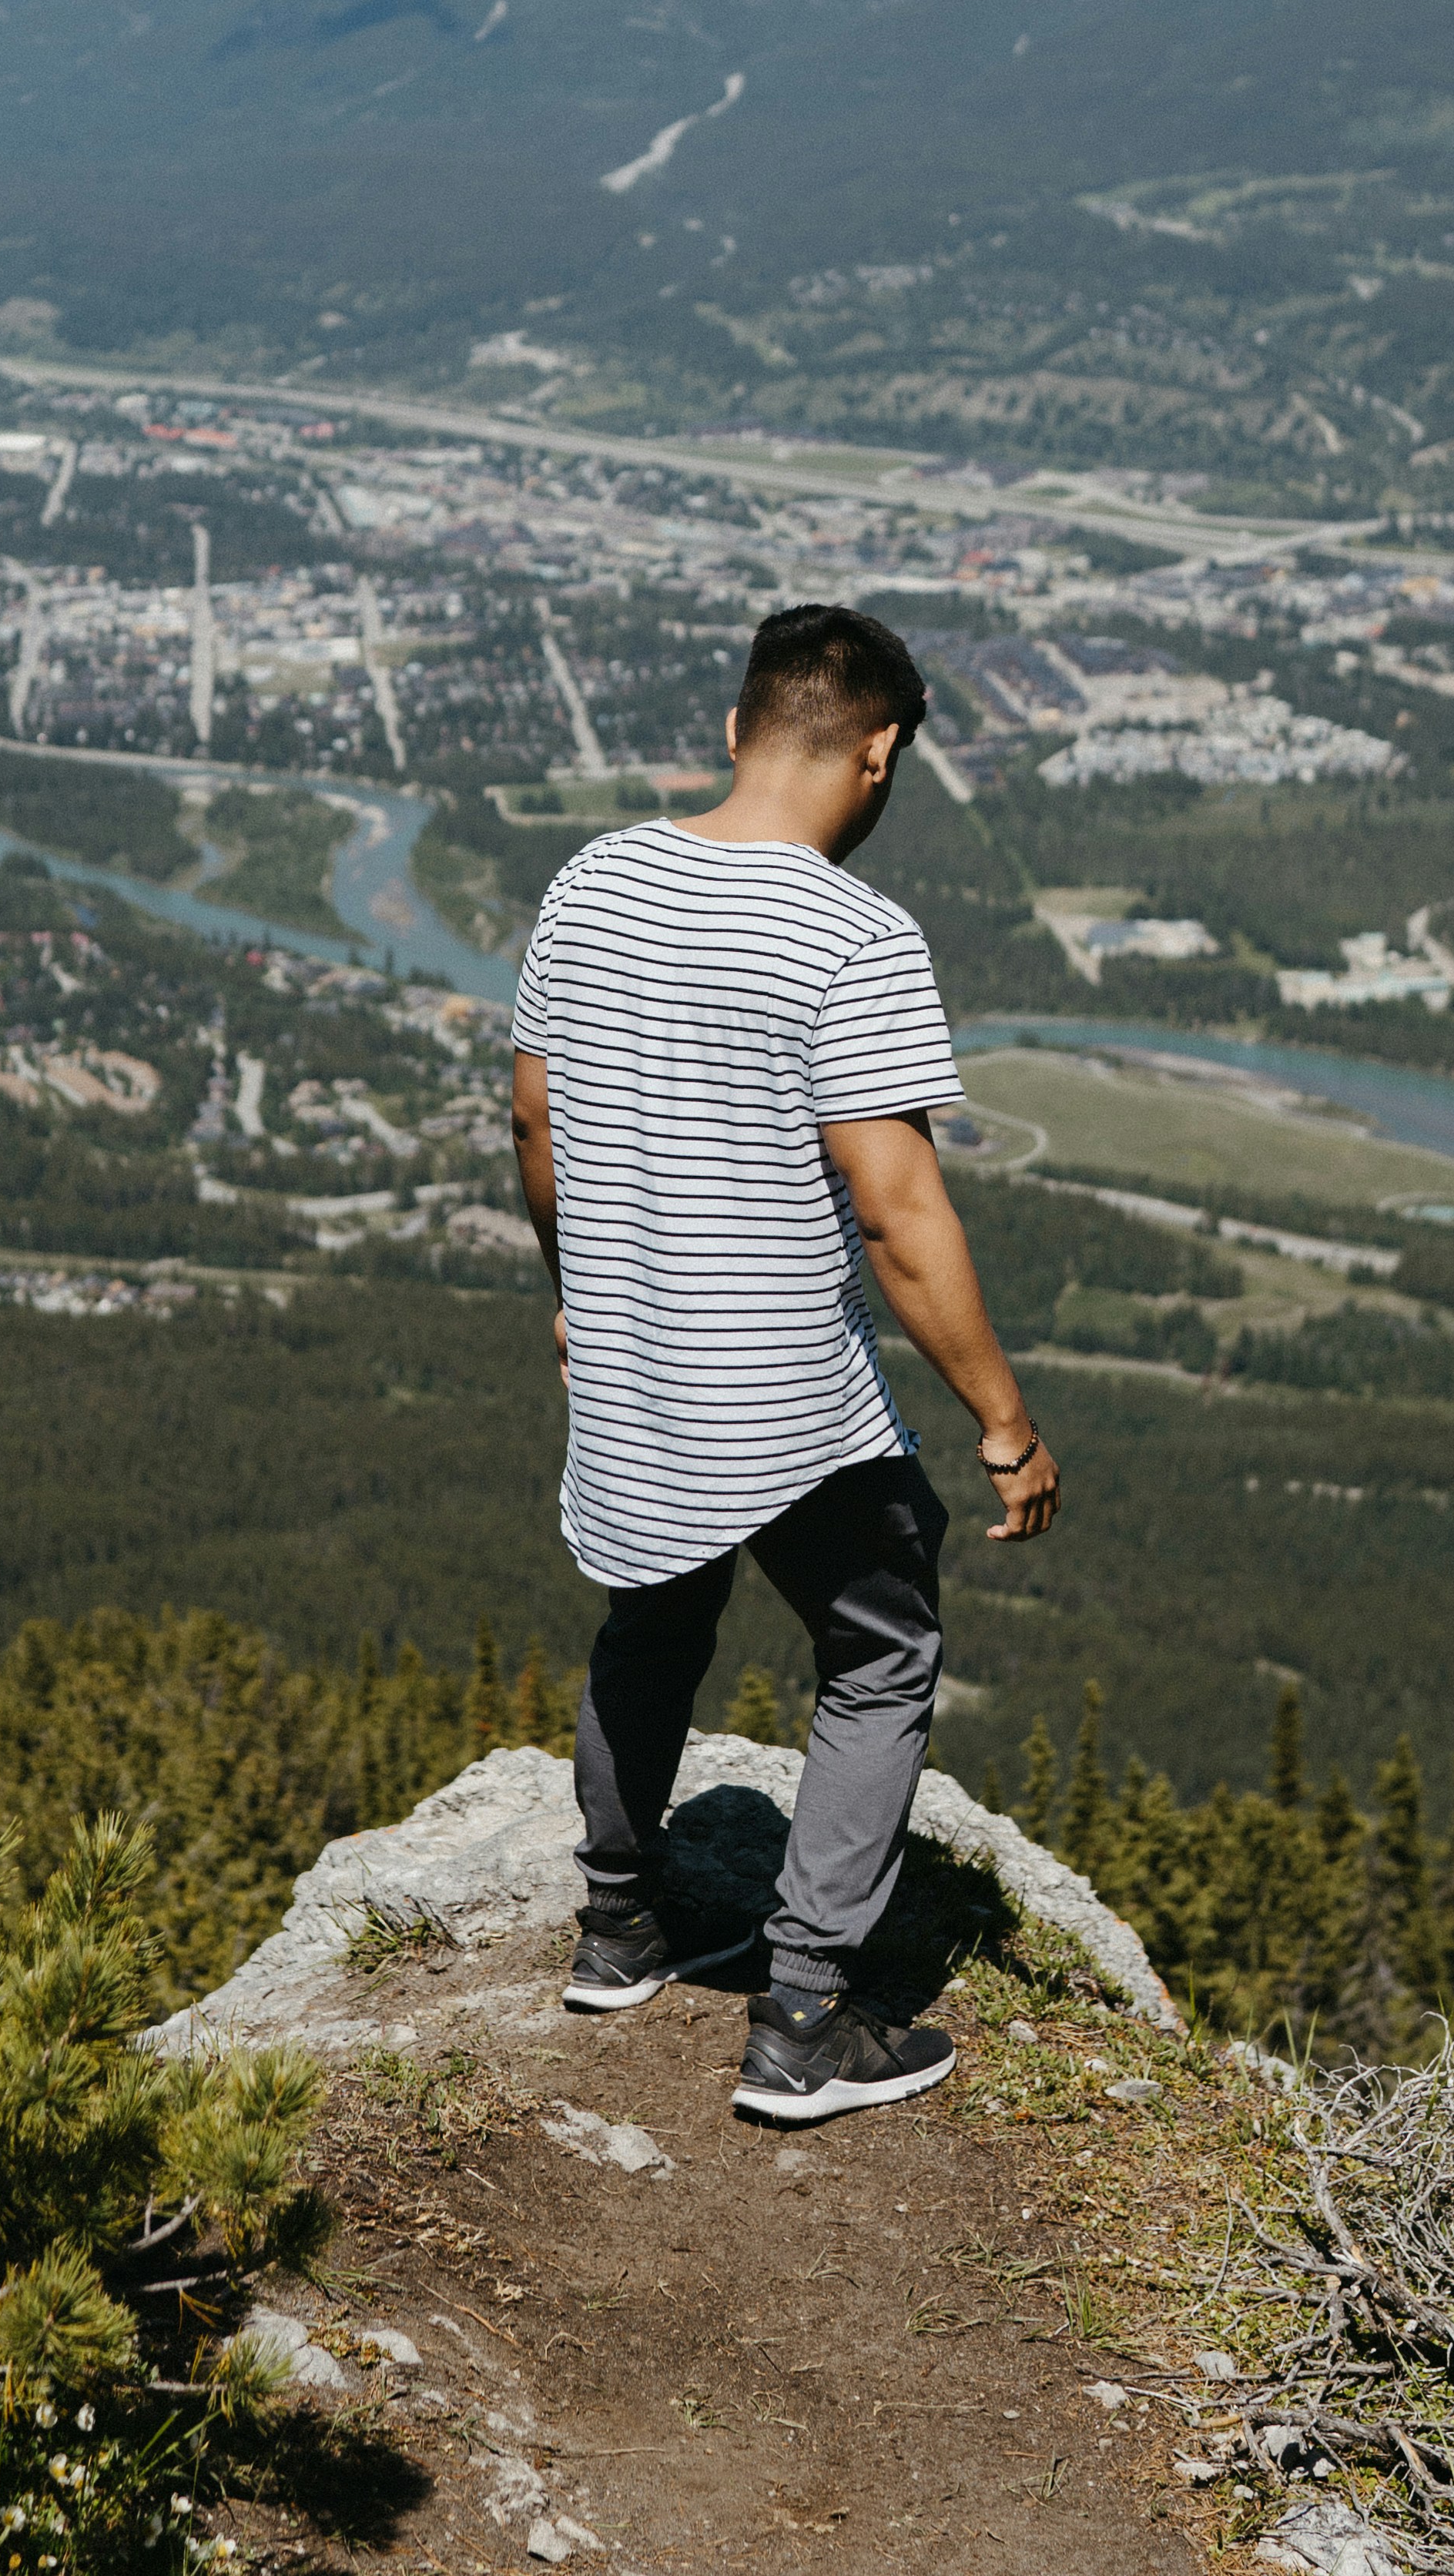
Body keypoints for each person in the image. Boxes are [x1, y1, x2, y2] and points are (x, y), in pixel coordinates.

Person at [509, 603, 1061, 2125]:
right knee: (880, 1648)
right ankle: (808, 2018)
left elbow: (537, 1128)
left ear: (736, 727)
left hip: (637, 1357)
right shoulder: (851, 934)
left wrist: (579, 1293)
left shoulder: (594, 879)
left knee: (657, 1604)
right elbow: (896, 1213)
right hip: (789, 1394)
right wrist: (1004, 1426)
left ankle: (620, 1930)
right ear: (878, 758)